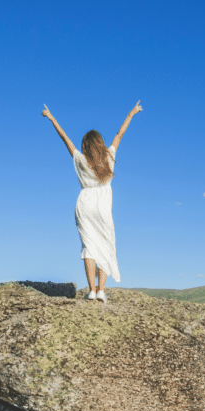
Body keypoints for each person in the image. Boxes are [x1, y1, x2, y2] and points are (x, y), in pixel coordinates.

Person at [42, 101, 142, 303]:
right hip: (103, 204)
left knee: (89, 245)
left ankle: (92, 290)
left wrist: (51, 117)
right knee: (104, 243)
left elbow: (65, 138)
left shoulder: (80, 159)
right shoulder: (109, 157)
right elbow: (119, 135)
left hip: (85, 203)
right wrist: (132, 113)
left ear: (85, 146)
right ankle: (102, 290)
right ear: (99, 143)